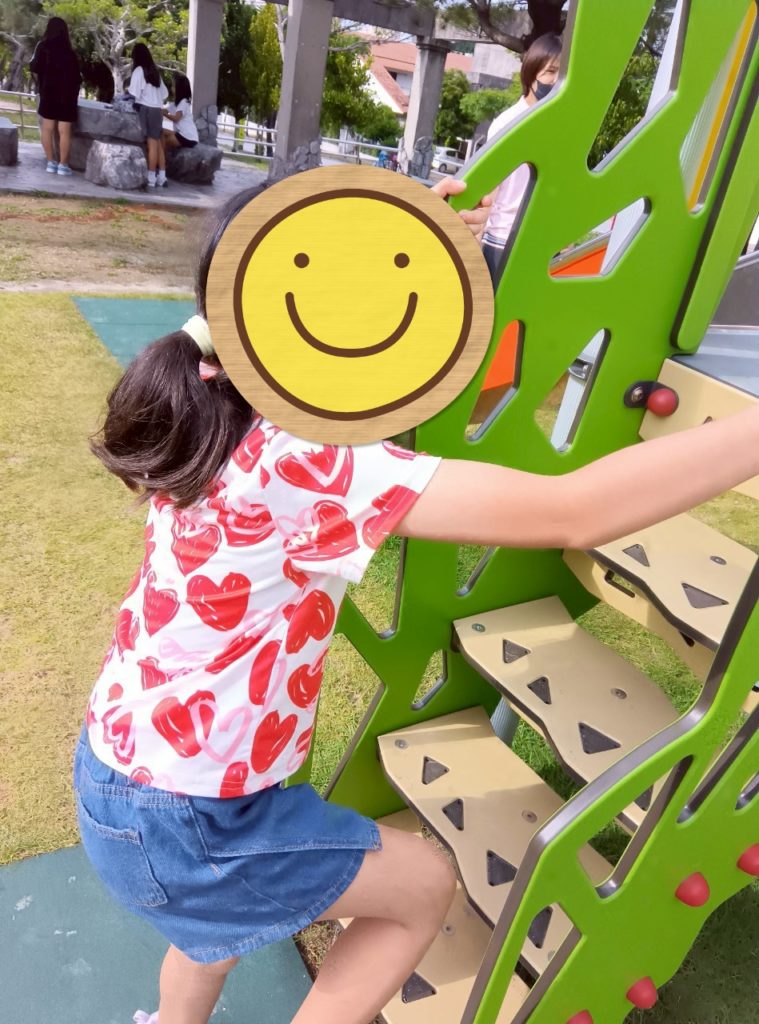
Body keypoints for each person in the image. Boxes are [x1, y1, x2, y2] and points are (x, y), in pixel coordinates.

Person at [74, 178, 759, 1024]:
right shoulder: (308, 463)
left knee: (215, 925)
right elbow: (572, 510)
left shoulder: (210, 400)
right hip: (194, 817)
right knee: (422, 885)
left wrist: (405, 231)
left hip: (120, 773)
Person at [481, 33, 563, 283]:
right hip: (502, 243)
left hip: (543, 245)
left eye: (562, 73)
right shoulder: (507, 123)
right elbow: (488, 190)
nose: (556, 81)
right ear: (531, 72)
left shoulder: (559, 127)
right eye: (550, 72)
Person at [29, 16, 82, 176]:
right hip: (67, 95)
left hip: (48, 92)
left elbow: (34, 67)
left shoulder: (43, 47)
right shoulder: (70, 52)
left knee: (47, 128)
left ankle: (51, 162)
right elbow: (77, 77)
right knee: (64, 130)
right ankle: (63, 165)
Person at [129, 42, 169, 188]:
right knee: (157, 143)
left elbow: (134, 93)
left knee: (152, 144)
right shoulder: (155, 71)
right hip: (157, 110)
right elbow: (165, 94)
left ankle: (151, 178)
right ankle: (162, 176)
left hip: (146, 109)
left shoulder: (139, 70)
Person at [161, 73, 199, 151]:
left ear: (180, 89)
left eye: (173, 86)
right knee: (160, 131)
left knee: (164, 141)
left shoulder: (184, 102)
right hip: (181, 134)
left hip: (188, 137)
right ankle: (161, 156)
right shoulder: (175, 104)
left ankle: (160, 157)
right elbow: (164, 110)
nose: (171, 88)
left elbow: (176, 118)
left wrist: (165, 114)